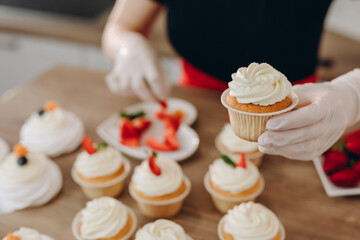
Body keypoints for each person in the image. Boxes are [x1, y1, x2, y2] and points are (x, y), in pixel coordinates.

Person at [102, 0, 360, 160]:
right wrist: (127, 46)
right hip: (195, 108)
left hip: (301, 118)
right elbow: (121, 24)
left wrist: (352, 93)